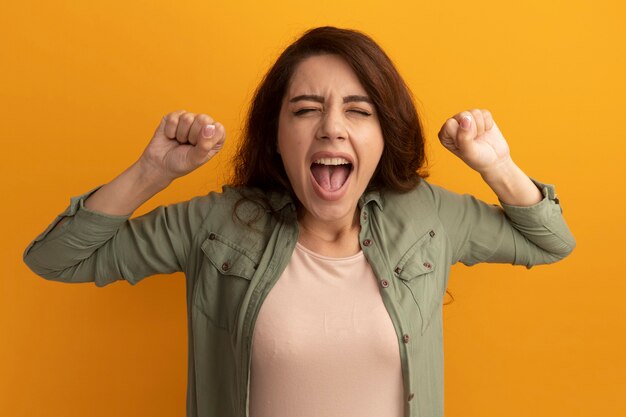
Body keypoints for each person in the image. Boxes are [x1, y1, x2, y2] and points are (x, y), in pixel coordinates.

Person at [23, 26, 575, 417]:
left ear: (383, 137)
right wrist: (151, 171)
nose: (332, 128)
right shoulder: (218, 223)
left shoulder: (429, 214)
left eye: (359, 111)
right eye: (307, 109)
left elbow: (552, 243)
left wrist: (497, 166)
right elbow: (55, 258)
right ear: (277, 136)